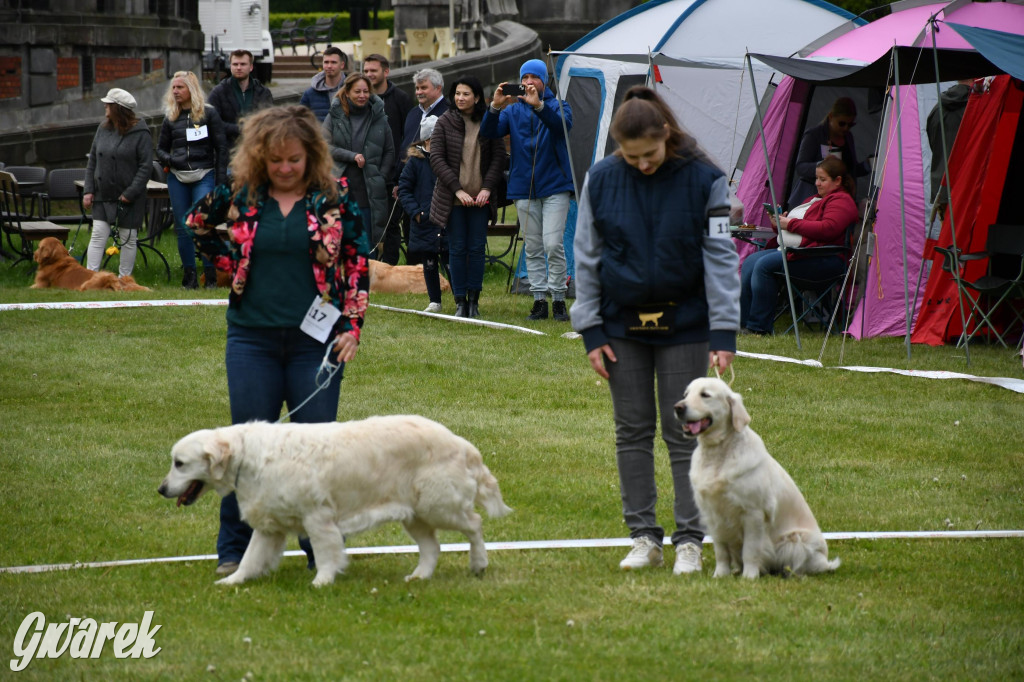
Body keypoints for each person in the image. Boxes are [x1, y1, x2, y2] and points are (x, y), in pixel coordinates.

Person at [185, 104, 370, 577]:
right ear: (260, 157)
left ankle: (322, 551)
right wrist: (231, 265)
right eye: (275, 160)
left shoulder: (335, 194)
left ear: (311, 155)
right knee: (244, 447)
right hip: (252, 339)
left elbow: (355, 257)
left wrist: (352, 324)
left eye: (294, 160)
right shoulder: (240, 192)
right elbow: (196, 225)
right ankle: (234, 549)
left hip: (317, 342)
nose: (285, 169)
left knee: (316, 451)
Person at [570, 86, 739, 575]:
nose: (642, 164)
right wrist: (591, 330)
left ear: (665, 135)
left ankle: (691, 538)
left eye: (650, 154)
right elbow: (586, 256)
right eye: (631, 156)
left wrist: (723, 331)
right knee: (632, 431)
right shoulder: (600, 178)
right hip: (620, 325)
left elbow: (721, 257)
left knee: (685, 433)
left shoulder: (706, 178)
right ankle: (643, 536)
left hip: (687, 324)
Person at [482, 58, 574, 322]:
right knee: (532, 246)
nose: (529, 83)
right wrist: (495, 107)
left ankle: (558, 299)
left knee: (553, 243)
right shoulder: (512, 111)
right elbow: (489, 134)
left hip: (556, 185)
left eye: (534, 78)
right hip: (524, 187)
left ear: (544, 81)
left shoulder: (559, 105)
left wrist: (540, 107)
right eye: (525, 78)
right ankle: (538, 301)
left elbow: (563, 127)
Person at [740, 155, 858, 335]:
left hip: (826, 260)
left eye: (823, 179)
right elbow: (798, 229)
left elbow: (828, 229)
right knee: (751, 261)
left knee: (764, 266)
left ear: (838, 181)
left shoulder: (842, 201)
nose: (817, 183)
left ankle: (758, 327)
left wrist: (790, 224)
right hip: (806, 253)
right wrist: (778, 222)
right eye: (817, 178)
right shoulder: (815, 199)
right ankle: (744, 323)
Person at [429, 75, 507, 319]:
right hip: (453, 198)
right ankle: (460, 300)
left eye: (466, 94)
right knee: (457, 248)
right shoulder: (444, 122)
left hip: (481, 198)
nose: (460, 98)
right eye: (457, 94)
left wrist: (486, 189)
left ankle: (474, 301)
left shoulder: (488, 121)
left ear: (476, 97)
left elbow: (499, 158)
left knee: (476, 249)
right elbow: (437, 159)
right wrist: (458, 190)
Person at [156, 70, 228, 289]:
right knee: (182, 228)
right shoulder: (170, 116)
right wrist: (172, 159)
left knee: (203, 225)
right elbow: (159, 149)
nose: (175, 91)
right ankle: (189, 277)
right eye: (174, 88)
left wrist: (220, 182)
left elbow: (221, 149)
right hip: (178, 177)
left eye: (180, 87)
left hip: (203, 175)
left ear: (191, 90)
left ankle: (211, 277)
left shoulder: (209, 114)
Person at [322, 73, 396, 260]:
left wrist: (382, 177)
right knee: (340, 237)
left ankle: (366, 281)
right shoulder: (334, 116)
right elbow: (324, 146)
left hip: (369, 189)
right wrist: (351, 156)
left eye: (365, 91)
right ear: (347, 92)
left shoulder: (379, 117)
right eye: (357, 91)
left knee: (368, 237)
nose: (362, 95)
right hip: (341, 186)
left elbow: (389, 151)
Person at [83, 87, 153, 280]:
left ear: (119, 108)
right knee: (98, 235)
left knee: (127, 238)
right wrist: (88, 190)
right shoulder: (102, 129)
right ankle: (92, 278)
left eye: (109, 104)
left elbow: (145, 167)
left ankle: (125, 281)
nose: (105, 106)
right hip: (103, 194)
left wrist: (130, 193)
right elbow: (92, 162)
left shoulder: (141, 133)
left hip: (129, 197)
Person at [363, 53, 414, 265]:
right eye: (365, 71)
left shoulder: (401, 98)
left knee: (392, 225)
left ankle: (390, 267)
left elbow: (409, 134)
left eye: (373, 71)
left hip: (393, 174)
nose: (368, 75)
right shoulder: (360, 97)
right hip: (365, 173)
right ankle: (368, 265)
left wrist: (399, 169)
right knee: (367, 222)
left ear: (386, 72)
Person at [398, 115, 448, 313]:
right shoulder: (415, 163)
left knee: (451, 260)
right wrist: (416, 212)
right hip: (424, 221)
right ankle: (435, 300)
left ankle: (462, 298)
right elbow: (404, 189)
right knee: (429, 263)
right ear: (428, 140)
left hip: (445, 219)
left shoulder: (447, 160)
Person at [787, 96, 870, 209]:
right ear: (831, 116)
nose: (846, 128)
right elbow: (800, 167)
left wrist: (868, 165)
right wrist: (823, 166)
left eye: (850, 125)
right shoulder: (814, 135)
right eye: (842, 123)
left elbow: (849, 170)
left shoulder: (848, 137)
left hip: (836, 202)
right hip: (809, 200)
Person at [207, 49, 274, 150]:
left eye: (243, 64)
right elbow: (213, 122)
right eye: (235, 64)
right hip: (228, 151)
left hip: (257, 149)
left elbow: (269, 120)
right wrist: (239, 129)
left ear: (250, 67)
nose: (238, 68)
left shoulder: (263, 92)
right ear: (230, 66)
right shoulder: (218, 92)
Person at [926, 79, 973, 219]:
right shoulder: (976, 106)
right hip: (966, 185)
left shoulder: (937, 108)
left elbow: (933, 144)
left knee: (948, 237)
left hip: (942, 185)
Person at [400, 68, 449, 155]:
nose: (419, 92)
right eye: (417, 88)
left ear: (438, 88)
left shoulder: (449, 114)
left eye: (423, 88)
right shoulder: (413, 113)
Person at [299, 46, 348, 122]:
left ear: (342, 65)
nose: (329, 66)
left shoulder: (351, 90)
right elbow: (300, 120)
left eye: (333, 62)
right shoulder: (309, 94)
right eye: (326, 62)